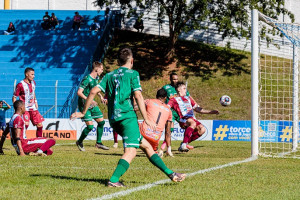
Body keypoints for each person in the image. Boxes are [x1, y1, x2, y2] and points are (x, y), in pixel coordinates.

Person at [71, 48, 185, 187]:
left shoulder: (109, 75)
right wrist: (147, 119)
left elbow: (94, 91)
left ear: (118, 61)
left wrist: (83, 112)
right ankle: (113, 180)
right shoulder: (133, 74)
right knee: (131, 151)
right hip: (127, 117)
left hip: (114, 119)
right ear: (132, 60)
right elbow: (138, 95)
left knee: (147, 146)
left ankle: (171, 174)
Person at [168, 82, 219, 152]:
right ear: (179, 90)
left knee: (202, 130)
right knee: (193, 123)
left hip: (192, 119)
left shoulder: (188, 98)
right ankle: (184, 144)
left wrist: (211, 112)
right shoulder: (173, 99)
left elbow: (198, 109)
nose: (186, 90)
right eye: (184, 88)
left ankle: (184, 144)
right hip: (183, 119)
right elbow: (166, 108)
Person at [76, 61, 109, 151]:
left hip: (91, 103)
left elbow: (95, 89)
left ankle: (98, 143)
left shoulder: (96, 79)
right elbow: (79, 92)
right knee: (90, 126)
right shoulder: (87, 79)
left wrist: (101, 97)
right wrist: (88, 100)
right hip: (84, 104)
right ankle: (79, 141)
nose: (102, 71)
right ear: (96, 69)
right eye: (101, 69)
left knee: (101, 122)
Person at [158, 72, 193, 157]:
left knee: (189, 126)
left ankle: (184, 143)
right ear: (170, 79)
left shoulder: (181, 88)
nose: (175, 81)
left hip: (180, 112)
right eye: (174, 79)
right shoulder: (166, 88)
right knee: (170, 130)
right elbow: (160, 97)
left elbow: (188, 98)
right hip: (171, 112)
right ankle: (163, 149)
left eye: (177, 79)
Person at [139, 88, 173, 155]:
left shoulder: (149, 101)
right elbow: (168, 132)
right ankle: (155, 150)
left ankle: (130, 144)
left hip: (143, 133)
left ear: (156, 96)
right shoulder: (169, 110)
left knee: (132, 121)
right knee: (152, 151)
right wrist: (169, 148)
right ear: (165, 98)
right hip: (155, 138)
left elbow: (135, 107)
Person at [13, 67, 44, 138]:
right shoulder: (20, 84)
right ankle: (20, 139)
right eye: (32, 74)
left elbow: (33, 93)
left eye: (34, 74)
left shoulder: (33, 83)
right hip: (25, 108)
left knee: (40, 125)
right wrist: (16, 109)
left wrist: (35, 101)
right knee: (25, 124)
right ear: (27, 74)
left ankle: (39, 141)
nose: (34, 76)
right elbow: (14, 97)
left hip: (32, 107)